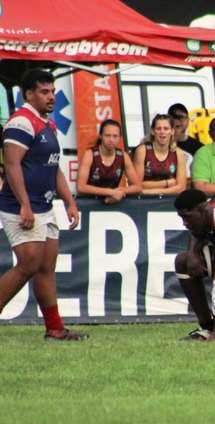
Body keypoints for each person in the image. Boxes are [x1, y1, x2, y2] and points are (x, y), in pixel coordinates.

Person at [0, 69, 87, 340]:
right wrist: (24, 204)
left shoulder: (47, 124)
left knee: (46, 265)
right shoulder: (21, 123)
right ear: (28, 94)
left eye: (52, 91)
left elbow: (54, 168)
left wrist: (70, 201)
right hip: (21, 206)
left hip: (45, 206)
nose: (51, 97)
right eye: (44, 92)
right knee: (29, 262)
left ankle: (55, 328)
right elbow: (12, 165)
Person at [174, 189, 215, 341]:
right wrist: (193, 253)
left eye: (187, 217)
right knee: (183, 261)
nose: (185, 223)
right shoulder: (206, 213)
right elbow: (197, 232)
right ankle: (206, 326)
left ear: (202, 210)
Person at [76, 119, 142, 203]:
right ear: (100, 136)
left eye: (115, 136)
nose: (111, 139)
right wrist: (111, 192)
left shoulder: (123, 156)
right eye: (107, 135)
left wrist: (122, 191)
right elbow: (81, 187)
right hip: (89, 203)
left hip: (113, 201)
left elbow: (138, 186)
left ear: (120, 138)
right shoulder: (90, 154)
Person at [133, 114, 188, 195]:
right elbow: (137, 185)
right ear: (152, 131)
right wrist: (167, 183)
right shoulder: (142, 151)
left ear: (172, 131)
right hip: (145, 200)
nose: (162, 132)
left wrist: (149, 190)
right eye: (158, 129)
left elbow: (181, 187)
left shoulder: (178, 153)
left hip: (169, 201)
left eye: (166, 129)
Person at [168, 102, 203, 168]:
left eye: (181, 117)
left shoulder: (199, 148)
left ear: (188, 121)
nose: (177, 120)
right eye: (174, 117)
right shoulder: (160, 144)